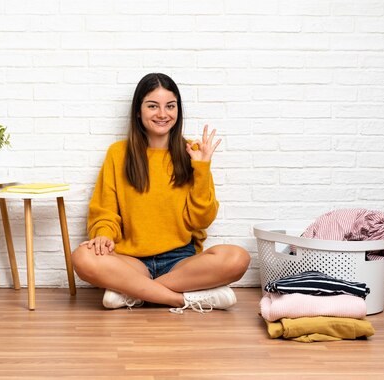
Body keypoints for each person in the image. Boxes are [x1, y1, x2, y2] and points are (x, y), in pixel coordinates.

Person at [71, 73, 250, 314]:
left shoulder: (192, 153)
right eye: (152, 106)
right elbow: (105, 211)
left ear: (178, 110)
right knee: (82, 257)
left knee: (238, 257)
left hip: (181, 262)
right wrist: (103, 235)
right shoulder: (118, 153)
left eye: (170, 106)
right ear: (138, 111)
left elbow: (201, 220)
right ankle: (180, 299)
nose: (162, 114)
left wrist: (202, 168)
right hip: (132, 262)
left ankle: (132, 293)